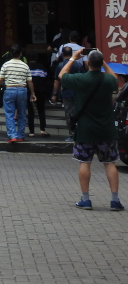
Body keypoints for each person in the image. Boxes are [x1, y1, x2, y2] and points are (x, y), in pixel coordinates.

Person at [59, 49, 122, 211]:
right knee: (110, 164)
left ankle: (86, 199)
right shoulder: (108, 80)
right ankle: (115, 200)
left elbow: (62, 75)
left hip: (85, 130)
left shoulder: (80, 79)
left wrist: (73, 58)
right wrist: (103, 62)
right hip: (106, 130)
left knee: (85, 163)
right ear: (100, 64)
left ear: (87, 63)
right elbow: (115, 78)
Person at [0, 45, 34, 143]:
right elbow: (29, 81)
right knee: (22, 114)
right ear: (21, 54)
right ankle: (20, 135)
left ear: (11, 54)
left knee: (9, 114)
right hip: (22, 90)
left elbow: (0, 79)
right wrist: (33, 93)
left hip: (9, 89)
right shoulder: (25, 65)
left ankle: (12, 135)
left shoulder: (6, 65)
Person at [51, 45, 83, 141]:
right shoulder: (78, 65)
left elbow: (57, 81)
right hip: (78, 93)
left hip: (66, 92)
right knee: (79, 112)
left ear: (62, 54)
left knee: (69, 113)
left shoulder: (60, 65)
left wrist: (54, 94)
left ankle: (72, 134)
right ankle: (79, 133)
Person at [26, 55, 52, 137]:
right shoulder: (41, 67)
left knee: (31, 111)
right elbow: (46, 77)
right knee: (41, 110)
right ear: (37, 59)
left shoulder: (26, 67)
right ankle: (42, 129)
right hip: (41, 90)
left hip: (29, 91)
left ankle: (31, 132)